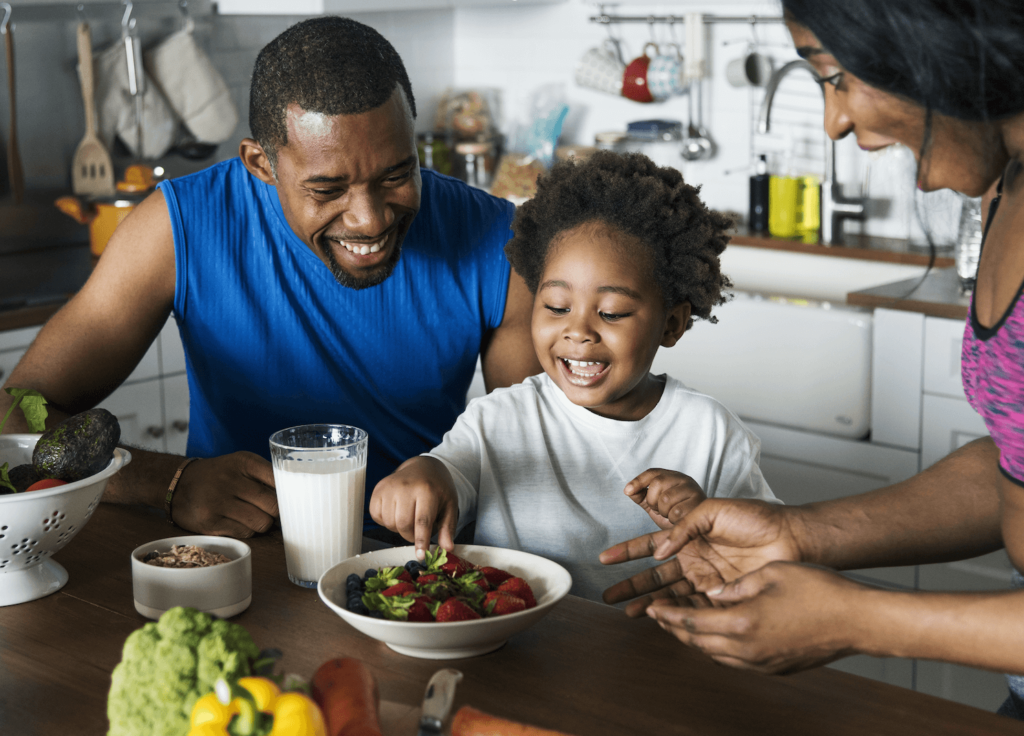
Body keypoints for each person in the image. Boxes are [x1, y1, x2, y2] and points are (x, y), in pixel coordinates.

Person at [599, 0, 1024, 717]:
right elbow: (1013, 464)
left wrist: (859, 620)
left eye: (835, 76)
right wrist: (797, 536)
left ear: (932, 40)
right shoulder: (1004, 189)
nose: (835, 122)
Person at [0, 17, 539, 539]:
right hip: (244, 561)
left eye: (397, 174)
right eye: (327, 190)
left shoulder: (500, 240)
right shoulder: (179, 227)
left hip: (419, 570)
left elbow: (535, 451)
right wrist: (167, 482)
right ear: (261, 164)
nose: (370, 219)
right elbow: (14, 414)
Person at [369, 151, 779, 601]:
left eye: (612, 313)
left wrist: (704, 517)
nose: (578, 331)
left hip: (658, 654)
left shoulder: (712, 435)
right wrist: (421, 474)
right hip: (522, 651)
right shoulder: (499, 418)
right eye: (557, 307)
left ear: (671, 325)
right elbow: (448, 472)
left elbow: (770, 561)